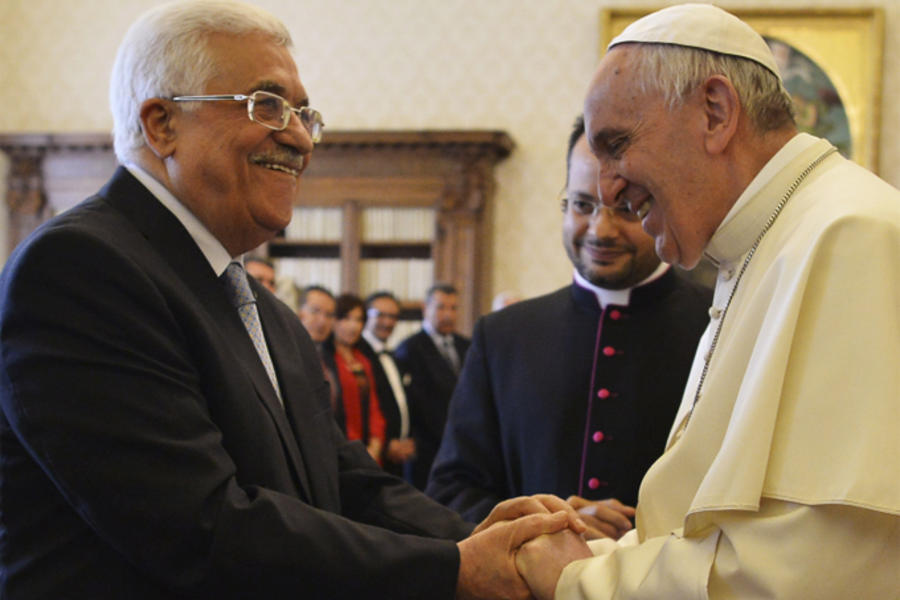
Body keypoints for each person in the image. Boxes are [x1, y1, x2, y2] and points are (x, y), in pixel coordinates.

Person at [0, 2, 585, 598]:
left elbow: (342, 480)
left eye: (305, 114)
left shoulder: (265, 312)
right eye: (267, 104)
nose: (302, 137)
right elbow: (201, 526)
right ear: (161, 123)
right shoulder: (82, 269)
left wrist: (479, 536)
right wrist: (453, 570)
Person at [515, 4, 900, 599]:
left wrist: (578, 579)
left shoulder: (850, 236)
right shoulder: (759, 246)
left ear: (715, 113)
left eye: (617, 145)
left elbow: (815, 570)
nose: (609, 185)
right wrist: (592, 551)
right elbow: (707, 529)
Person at [427, 116, 710, 539]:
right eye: (582, 205)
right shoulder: (504, 336)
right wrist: (545, 526)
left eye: (627, 209)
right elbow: (450, 492)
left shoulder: (719, 326)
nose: (600, 230)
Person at [394, 283, 471, 490]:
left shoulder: (467, 346)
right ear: (425, 308)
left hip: (463, 447)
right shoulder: (408, 349)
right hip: (426, 451)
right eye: (441, 307)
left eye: (453, 308)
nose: (448, 314)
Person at [360, 290, 417, 476]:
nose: (388, 322)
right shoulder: (358, 355)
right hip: (371, 455)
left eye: (393, 316)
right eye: (380, 315)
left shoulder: (394, 356)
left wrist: (407, 440)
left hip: (398, 459)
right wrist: (386, 444)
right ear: (366, 315)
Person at [329, 293, 386, 463]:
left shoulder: (363, 360)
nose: (353, 326)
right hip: (338, 450)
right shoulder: (325, 360)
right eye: (346, 318)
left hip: (368, 449)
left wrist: (375, 445)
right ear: (334, 320)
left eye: (359, 320)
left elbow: (374, 406)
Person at [298, 284, 343, 416]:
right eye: (315, 311)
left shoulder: (329, 357)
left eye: (329, 315)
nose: (322, 321)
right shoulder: (286, 355)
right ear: (299, 312)